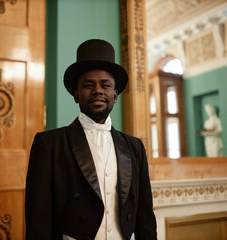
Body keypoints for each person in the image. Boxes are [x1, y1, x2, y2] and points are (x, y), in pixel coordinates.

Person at [25, 39, 157, 240]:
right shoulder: (49, 144)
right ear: (76, 95)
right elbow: (38, 219)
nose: (98, 90)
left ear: (115, 95)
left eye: (105, 85)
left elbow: (145, 215)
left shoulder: (135, 147)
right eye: (88, 85)